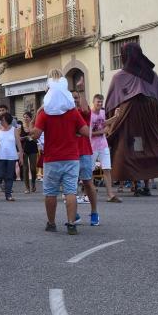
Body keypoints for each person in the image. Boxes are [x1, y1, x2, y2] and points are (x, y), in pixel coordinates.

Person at [104, 42, 158, 189]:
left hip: (130, 116)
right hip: (148, 116)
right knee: (146, 147)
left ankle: (136, 184)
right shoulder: (151, 75)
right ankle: (146, 185)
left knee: (131, 148)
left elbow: (111, 103)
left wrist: (110, 120)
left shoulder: (119, 77)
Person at [31, 99, 90, 235]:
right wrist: (75, 131)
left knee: (51, 192)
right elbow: (86, 132)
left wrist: (37, 115)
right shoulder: (73, 112)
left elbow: (35, 135)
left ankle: (51, 223)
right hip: (71, 158)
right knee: (70, 192)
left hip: (52, 158)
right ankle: (71, 224)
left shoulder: (45, 112)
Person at [72, 91, 99, 226]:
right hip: (70, 153)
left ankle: (94, 212)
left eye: (76, 98)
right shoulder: (65, 113)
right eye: (72, 98)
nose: (74, 100)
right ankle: (74, 214)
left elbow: (84, 107)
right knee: (71, 186)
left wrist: (81, 91)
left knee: (88, 183)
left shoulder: (83, 112)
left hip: (84, 152)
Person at [90, 95, 121, 203]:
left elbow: (104, 123)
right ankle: (88, 192)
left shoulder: (102, 112)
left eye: (101, 102)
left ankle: (110, 194)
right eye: (98, 102)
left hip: (103, 145)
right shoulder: (89, 115)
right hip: (92, 146)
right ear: (93, 102)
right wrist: (102, 132)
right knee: (89, 170)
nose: (100, 104)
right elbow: (88, 133)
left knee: (107, 169)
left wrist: (115, 117)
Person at [0, 112, 22, 201]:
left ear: (7, 120)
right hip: (0, 156)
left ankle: (8, 195)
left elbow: (19, 144)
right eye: (0, 120)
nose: (0, 122)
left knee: (9, 176)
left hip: (11, 156)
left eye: (2, 120)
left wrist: (21, 156)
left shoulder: (14, 130)